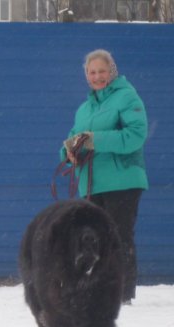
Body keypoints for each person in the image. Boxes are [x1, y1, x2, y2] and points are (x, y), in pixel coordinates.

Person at [61, 49, 148, 303]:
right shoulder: (84, 109)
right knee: (92, 238)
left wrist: (94, 140)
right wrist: (68, 153)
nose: (97, 76)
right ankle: (100, 289)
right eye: (92, 72)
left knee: (118, 236)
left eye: (101, 71)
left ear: (112, 71)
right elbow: (72, 139)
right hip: (92, 182)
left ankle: (122, 294)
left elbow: (135, 136)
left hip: (123, 179)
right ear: (86, 75)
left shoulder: (127, 97)